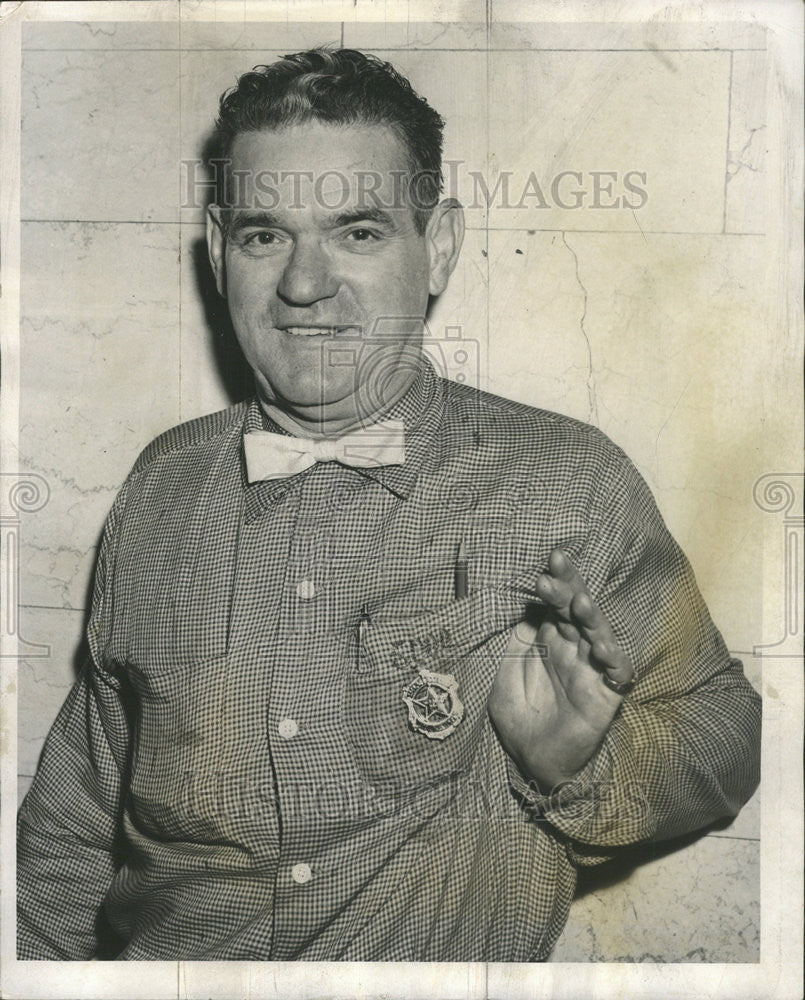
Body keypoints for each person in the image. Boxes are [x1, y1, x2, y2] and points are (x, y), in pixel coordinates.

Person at [17, 47, 761, 963]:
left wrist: (573, 766)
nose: (302, 284)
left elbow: (723, 743)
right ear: (218, 251)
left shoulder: (565, 483)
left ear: (436, 245)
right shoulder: (158, 488)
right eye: (263, 235)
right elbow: (71, 833)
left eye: (358, 232)